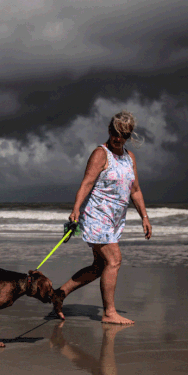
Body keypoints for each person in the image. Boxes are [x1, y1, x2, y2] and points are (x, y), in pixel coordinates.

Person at [53, 111, 152, 325]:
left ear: (129, 136)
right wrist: (76, 209)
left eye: (124, 135)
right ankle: (109, 313)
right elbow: (87, 183)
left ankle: (59, 294)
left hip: (115, 220)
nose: (119, 139)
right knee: (114, 260)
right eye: (116, 133)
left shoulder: (129, 157)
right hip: (97, 217)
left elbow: (135, 190)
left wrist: (144, 216)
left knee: (99, 266)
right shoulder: (100, 154)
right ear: (110, 131)